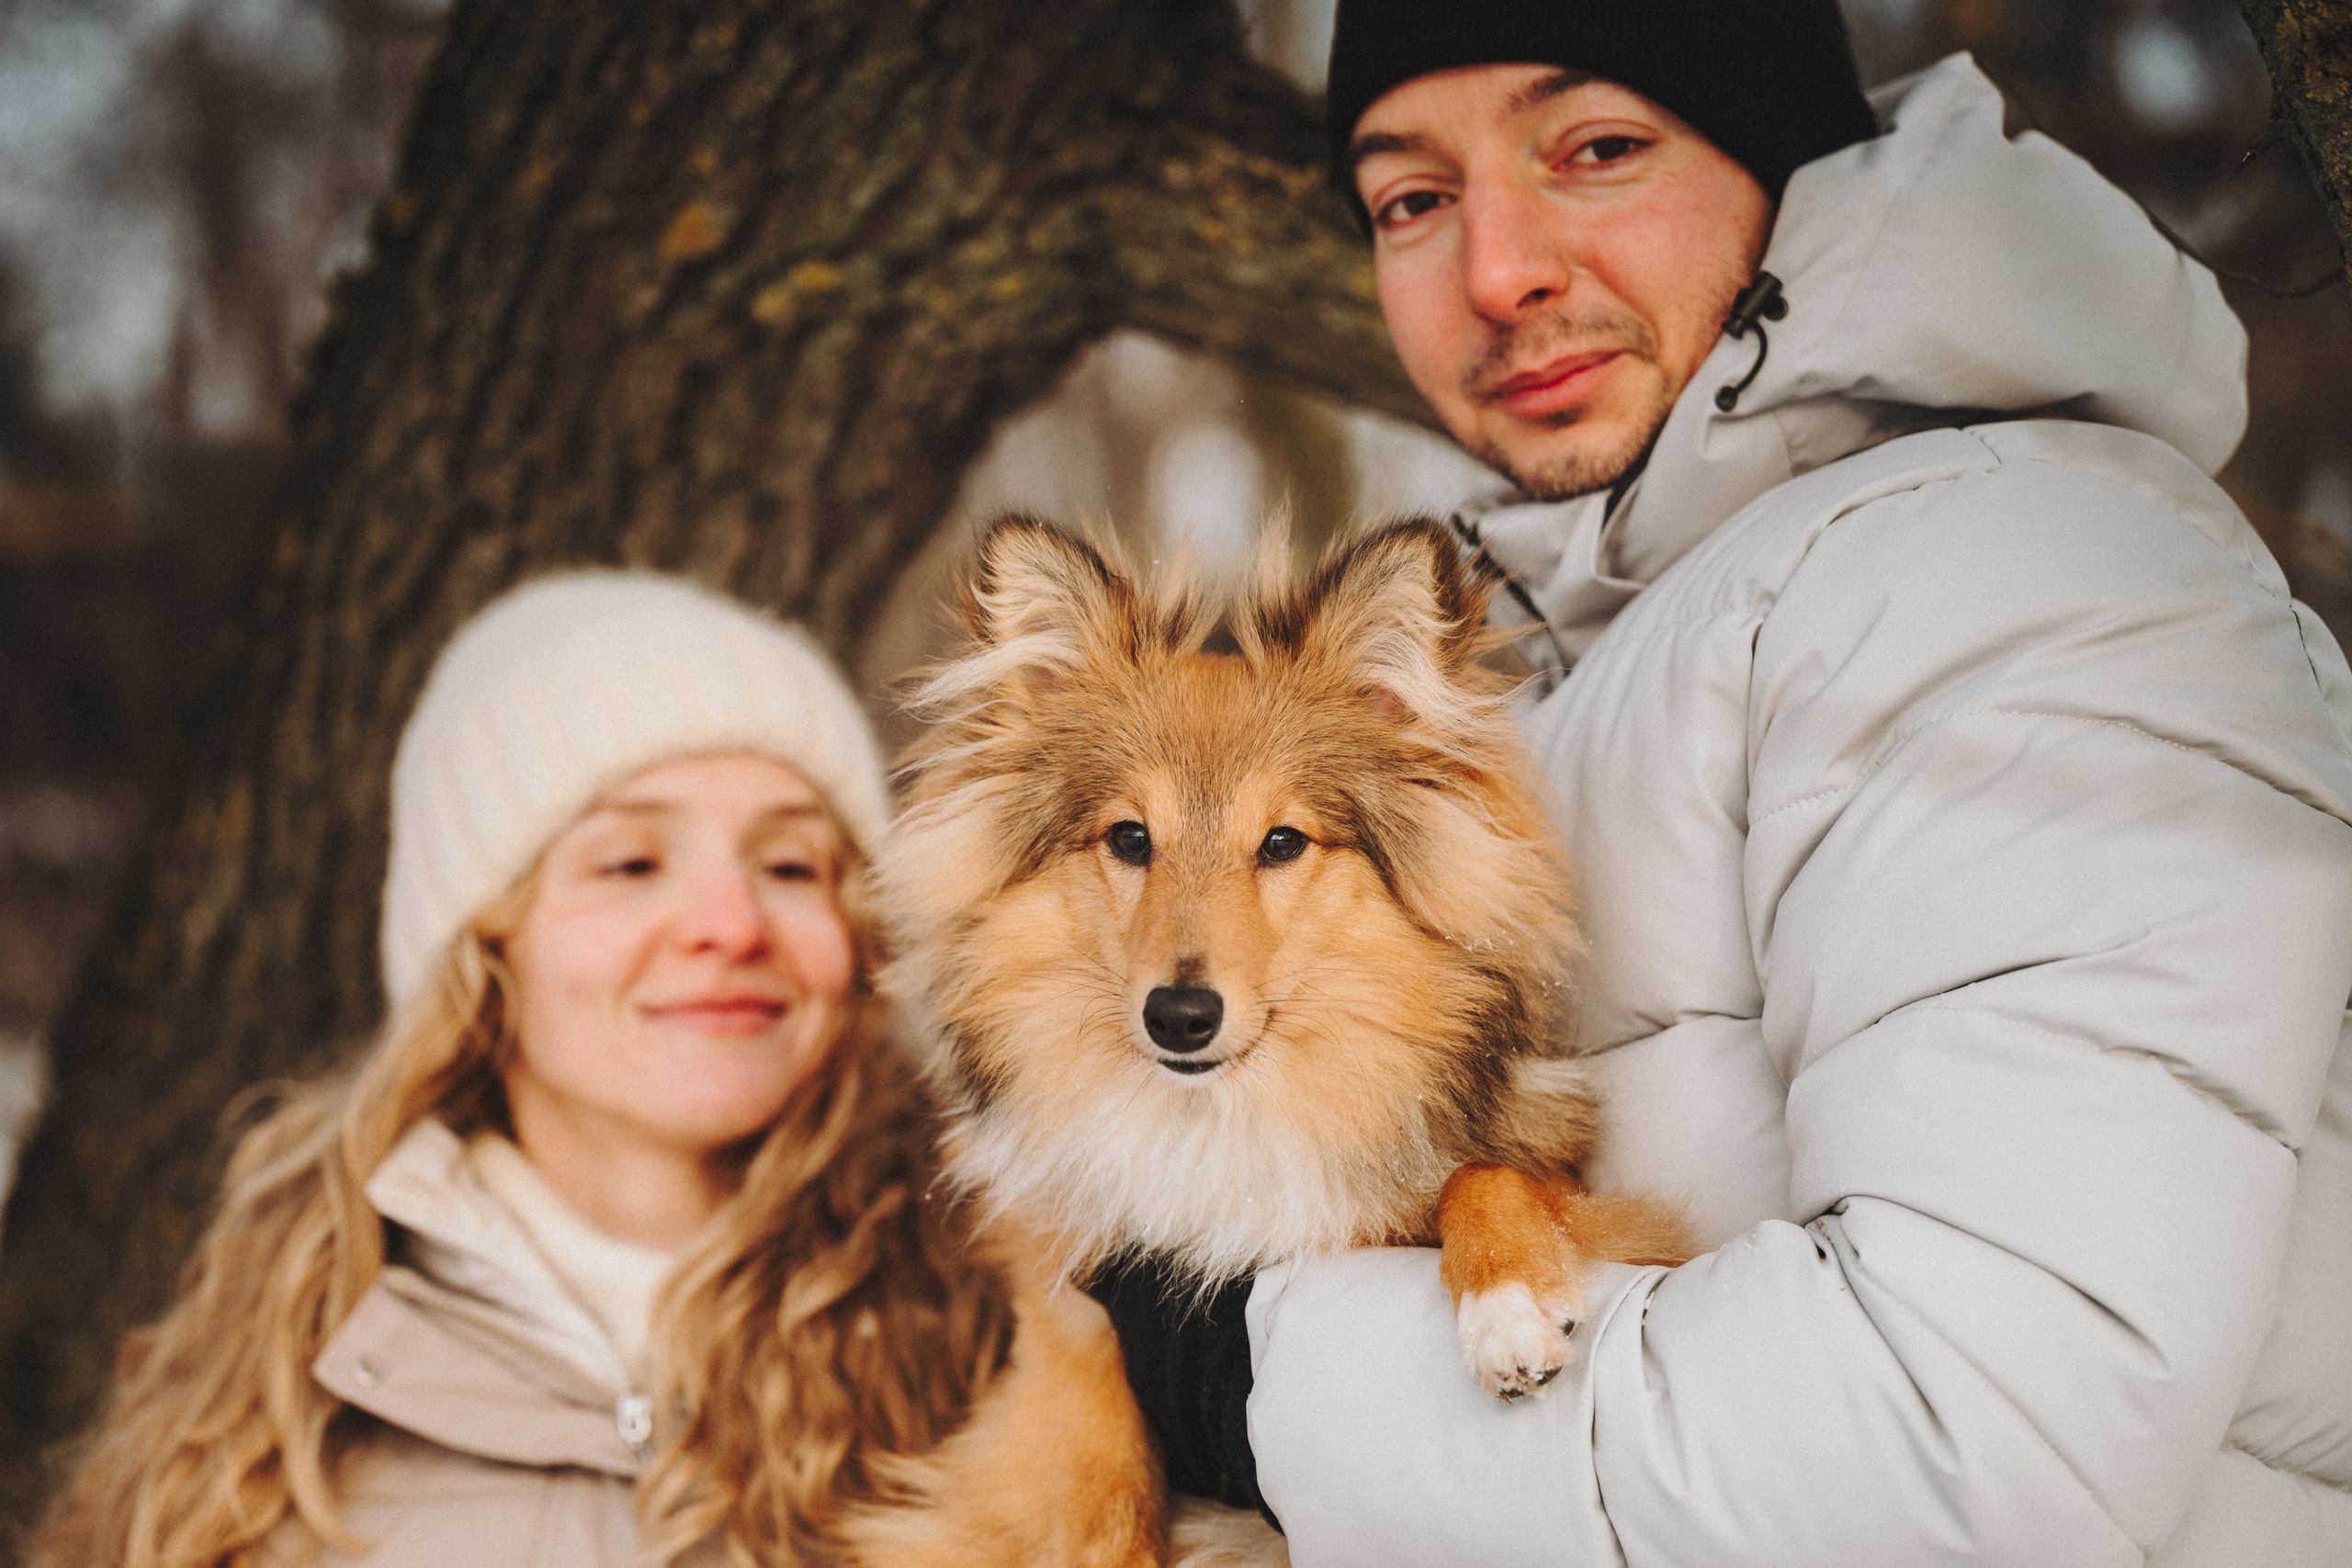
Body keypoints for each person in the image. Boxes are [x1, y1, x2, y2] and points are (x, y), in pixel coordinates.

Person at [1106, 3, 2352, 1563]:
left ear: (1780, 150)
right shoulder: (1605, 641)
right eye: (1412, 199)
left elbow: (1960, 1443)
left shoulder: (2015, 573)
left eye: (1596, 149)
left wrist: (1244, 1377)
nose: (1497, 271)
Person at [33, 571, 1009, 1565]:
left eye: (792, 866)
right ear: (487, 946)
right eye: (632, 863)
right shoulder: (259, 1430)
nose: (732, 924)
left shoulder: (1016, 1350)